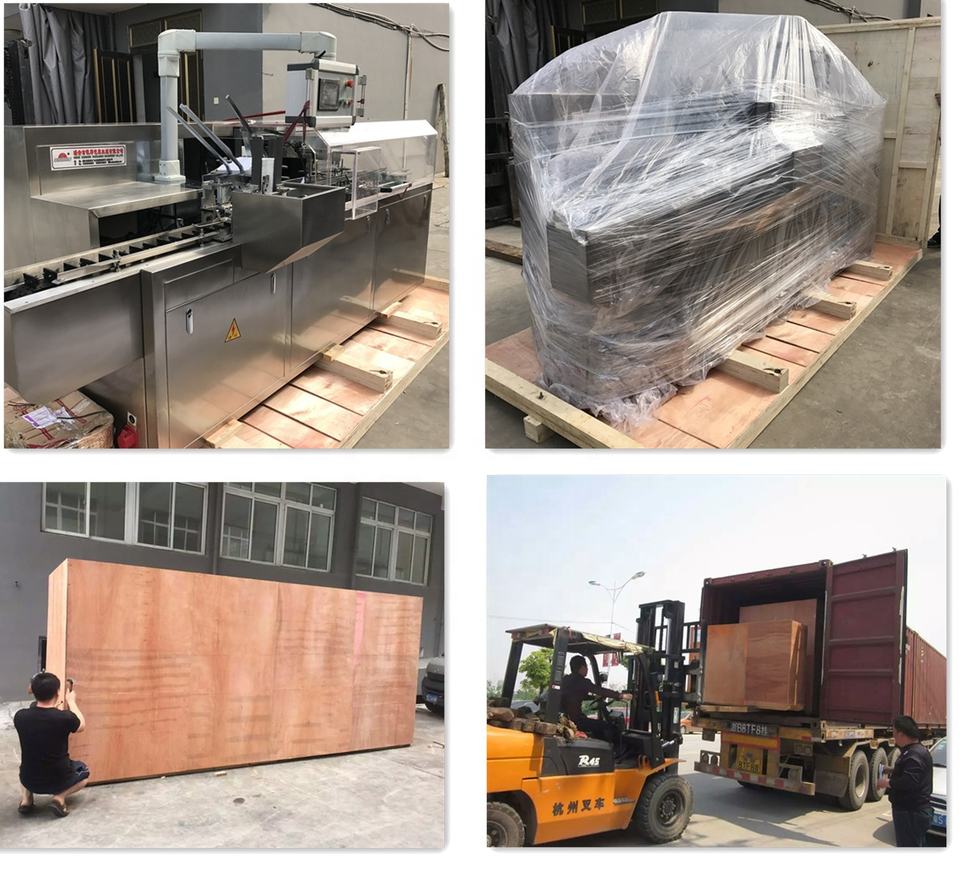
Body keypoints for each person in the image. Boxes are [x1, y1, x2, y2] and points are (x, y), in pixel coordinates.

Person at [14, 673, 90, 817]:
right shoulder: (64, 718)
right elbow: (81, 725)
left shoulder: (20, 716)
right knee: (84, 772)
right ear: (57, 692)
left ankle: (26, 800)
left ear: (32, 691)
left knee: (25, 766)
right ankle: (59, 798)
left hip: (29, 779)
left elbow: (39, 716)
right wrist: (71, 701)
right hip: (58, 779)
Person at [877, 715, 933, 847]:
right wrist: (891, 770)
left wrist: (886, 783)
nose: (893, 736)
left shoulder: (915, 754)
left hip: (911, 813)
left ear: (901, 734)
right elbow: (911, 772)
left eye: (894, 732)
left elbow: (910, 781)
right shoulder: (913, 751)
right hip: (909, 812)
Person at [559, 655, 631, 743]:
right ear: (582, 668)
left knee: (596, 726)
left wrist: (593, 697)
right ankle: (610, 748)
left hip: (566, 718)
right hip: (576, 721)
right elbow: (600, 690)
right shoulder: (582, 681)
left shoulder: (566, 680)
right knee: (608, 727)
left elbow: (573, 695)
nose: (587, 669)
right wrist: (620, 695)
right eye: (586, 666)